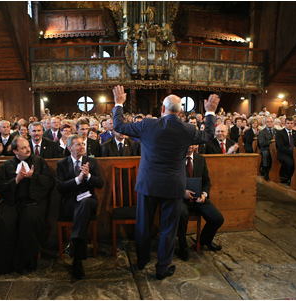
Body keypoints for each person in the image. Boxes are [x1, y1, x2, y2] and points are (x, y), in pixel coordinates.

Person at [111, 85, 219, 280]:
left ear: (162, 109)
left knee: (143, 226)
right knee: (168, 229)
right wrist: (210, 111)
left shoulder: (147, 124)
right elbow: (209, 135)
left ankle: (142, 262)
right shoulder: (188, 129)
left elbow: (118, 126)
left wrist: (119, 103)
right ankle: (162, 269)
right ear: (180, 112)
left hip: (148, 185)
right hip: (172, 186)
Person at [0, 136, 54, 274]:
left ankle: (26, 263)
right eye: (23, 148)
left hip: (33, 202)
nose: (28, 149)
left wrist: (33, 176)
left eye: (28, 146)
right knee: (3, 221)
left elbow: (49, 181)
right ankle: (3, 263)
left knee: (27, 221)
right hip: (12, 201)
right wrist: (15, 180)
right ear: (15, 151)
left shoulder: (39, 161)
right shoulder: (6, 166)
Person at [57, 134, 104, 279]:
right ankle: (77, 254)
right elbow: (60, 188)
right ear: (70, 147)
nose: (82, 147)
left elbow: (100, 184)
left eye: (83, 144)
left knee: (85, 204)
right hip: (71, 204)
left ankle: (74, 248)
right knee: (81, 213)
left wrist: (88, 176)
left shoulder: (91, 162)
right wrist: (78, 179)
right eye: (78, 145)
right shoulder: (62, 164)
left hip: (89, 201)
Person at [177, 145, 224, 261]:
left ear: (196, 145)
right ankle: (183, 247)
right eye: (187, 142)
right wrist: (182, 192)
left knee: (217, 218)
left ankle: (204, 241)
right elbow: (169, 181)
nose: (189, 146)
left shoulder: (200, 159)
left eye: (192, 143)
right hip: (181, 199)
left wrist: (204, 194)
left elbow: (206, 181)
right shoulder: (175, 159)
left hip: (199, 198)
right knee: (182, 215)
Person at [275, 116, 296, 183]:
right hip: (283, 153)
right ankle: (290, 179)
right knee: (291, 163)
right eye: (288, 123)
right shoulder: (280, 133)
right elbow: (280, 146)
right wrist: (292, 152)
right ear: (285, 124)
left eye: (291, 123)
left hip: (294, 153)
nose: (290, 125)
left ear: (294, 124)